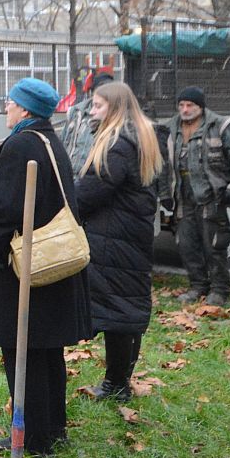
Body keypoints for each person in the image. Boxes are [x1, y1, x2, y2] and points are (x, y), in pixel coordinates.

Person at [0, 77, 92, 455]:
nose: (6, 107)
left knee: (24, 352)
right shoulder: (47, 140)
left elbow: (4, 208)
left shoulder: (22, 144)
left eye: (11, 103)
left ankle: (34, 439)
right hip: (49, 266)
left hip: (23, 269)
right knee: (46, 350)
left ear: (25, 110)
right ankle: (53, 428)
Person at [75, 81, 162, 402]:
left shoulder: (118, 143)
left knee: (120, 312)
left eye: (97, 106)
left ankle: (117, 385)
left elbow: (90, 192)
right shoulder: (141, 135)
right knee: (124, 308)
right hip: (128, 235)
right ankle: (118, 382)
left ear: (114, 107)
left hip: (115, 239)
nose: (92, 111)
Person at [163, 86, 230, 305]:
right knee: (187, 245)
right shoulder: (170, 128)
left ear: (200, 106)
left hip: (211, 196)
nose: (185, 110)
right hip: (182, 195)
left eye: (190, 105)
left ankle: (220, 289)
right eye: (181, 105)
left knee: (214, 245)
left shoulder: (219, 125)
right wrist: (164, 195)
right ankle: (198, 286)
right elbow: (161, 164)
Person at [62, 71, 114, 173]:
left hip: (93, 176)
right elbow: (64, 140)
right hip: (70, 173)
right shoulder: (76, 112)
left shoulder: (115, 115)